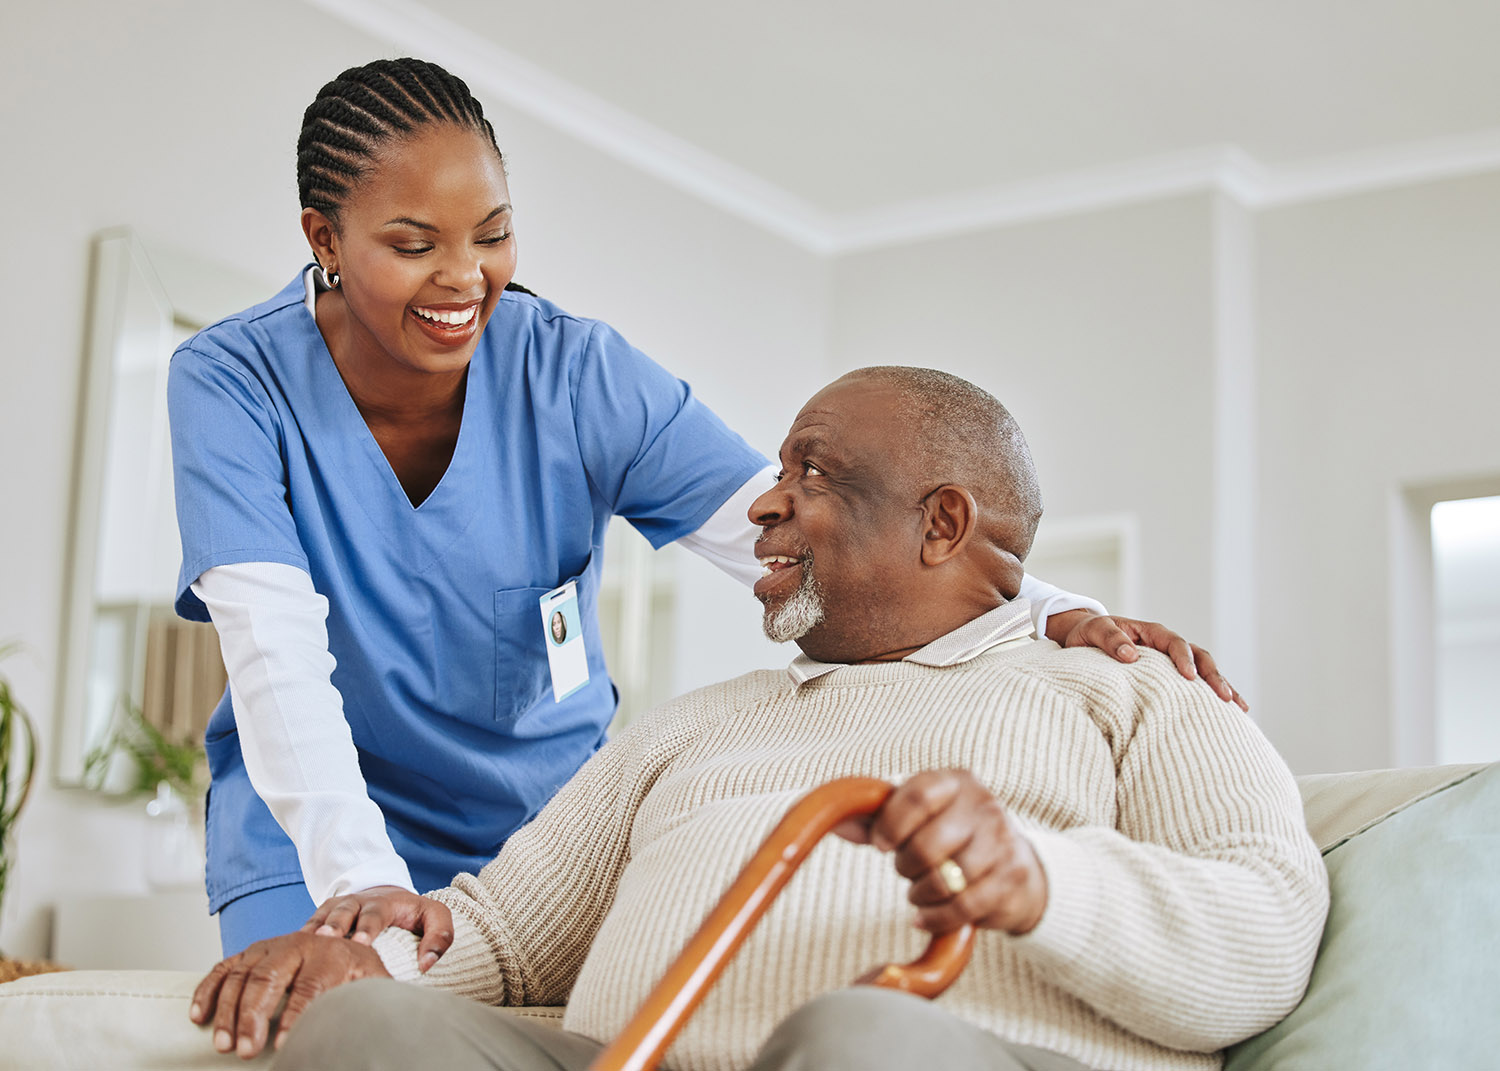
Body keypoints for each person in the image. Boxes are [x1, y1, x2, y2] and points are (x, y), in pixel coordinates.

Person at [169, 56, 1244, 958]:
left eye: (492, 234)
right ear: (323, 236)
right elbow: (274, 657)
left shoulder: (574, 374)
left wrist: (1042, 604)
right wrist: (361, 878)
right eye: (414, 245)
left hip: (538, 834)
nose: (467, 279)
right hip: (311, 825)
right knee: (326, 1029)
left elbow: (790, 533)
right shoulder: (230, 384)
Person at [191, 367, 1326, 1071]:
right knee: (365, 1034)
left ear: (942, 523)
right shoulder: (692, 728)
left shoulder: (1131, 689)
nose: (766, 502)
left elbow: (1268, 936)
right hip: (630, 1060)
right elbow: (496, 938)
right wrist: (357, 961)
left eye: (814, 474)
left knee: (862, 1039)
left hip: (939, 1056)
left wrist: (1041, 882)